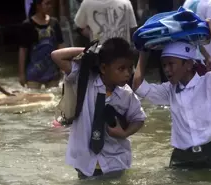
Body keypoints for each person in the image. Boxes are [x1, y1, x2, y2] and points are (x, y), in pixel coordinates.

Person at [132, 20, 211, 169]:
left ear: (188, 65)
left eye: (171, 64)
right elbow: (138, 86)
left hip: (210, 154)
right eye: (164, 65)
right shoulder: (169, 90)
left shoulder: (209, 82)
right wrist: (143, 52)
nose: (167, 70)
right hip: (181, 156)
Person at [51, 37, 146, 179]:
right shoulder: (85, 79)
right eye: (121, 68)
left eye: (130, 68)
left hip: (115, 161)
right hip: (85, 163)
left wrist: (124, 133)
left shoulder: (127, 94)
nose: (127, 73)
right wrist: (94, 53)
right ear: (103, 68)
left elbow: (138, 119)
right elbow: (57, 56)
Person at [19, 0, 64, 89]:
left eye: (51, 4)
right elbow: (23, 50)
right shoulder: (27, 25)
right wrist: (21, 74)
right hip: (33, 72)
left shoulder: (54, 23)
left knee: (54, 98)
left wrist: (63, 68)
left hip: (52, 71)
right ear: (38, 6)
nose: (50, 6)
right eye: (47, 4)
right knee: (34, 98)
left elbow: (60, 46)